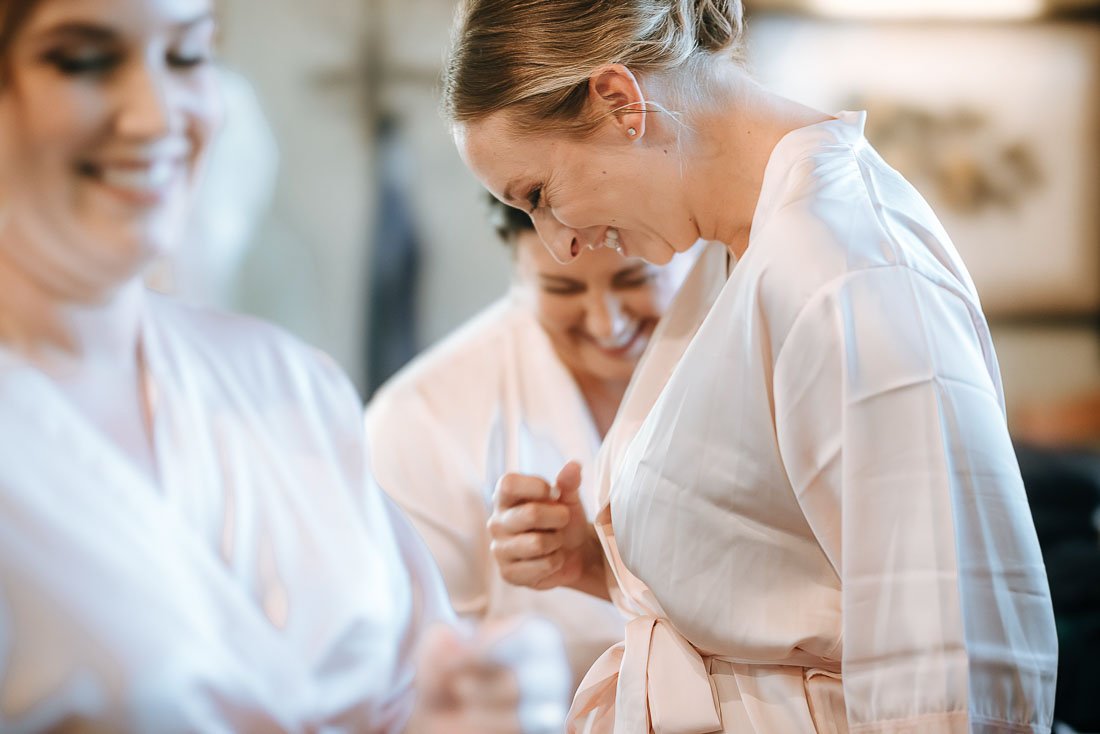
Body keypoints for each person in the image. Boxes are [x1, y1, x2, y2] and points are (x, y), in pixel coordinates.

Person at [442, 0, 1059, 732]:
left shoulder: (844, 272)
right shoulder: (737, 250)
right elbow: (783, 578)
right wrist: (596, 560)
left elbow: (948, 662)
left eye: (538, 196)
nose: (558, 244)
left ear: (617, 102)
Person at [0, 0, 566, 731]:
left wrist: (482, 695)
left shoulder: (289, 384)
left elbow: (412, 681)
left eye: (186, 56)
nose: (154, 116)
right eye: (82, 59)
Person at [366, 197, 697, 691]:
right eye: (562, 288)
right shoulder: (423, 417)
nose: (607, 324)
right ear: (519, 275)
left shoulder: (751, 355)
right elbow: (412, 670)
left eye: (636, 280)